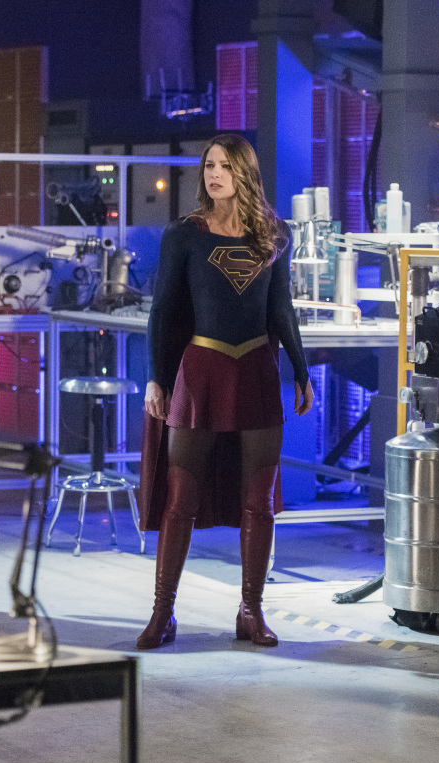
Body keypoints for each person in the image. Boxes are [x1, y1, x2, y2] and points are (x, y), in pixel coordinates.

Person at [135, 134, 313, 650]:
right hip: (201, 371)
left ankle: (250, 611)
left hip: (257, 370)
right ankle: (162, 613)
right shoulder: (183, 234)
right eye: (209, 165)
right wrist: (156, 377)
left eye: (224, 166)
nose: (213, 174)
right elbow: (163, 310)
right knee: (180, 500)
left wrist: (301, 371)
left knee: (259, 503)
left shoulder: (275, 234)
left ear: (244, 173)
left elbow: (282, 308)